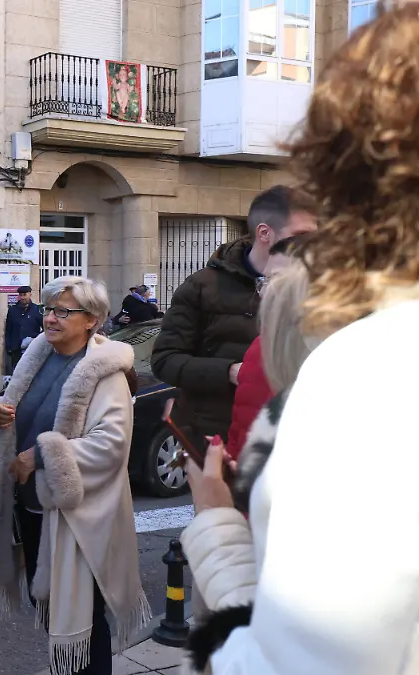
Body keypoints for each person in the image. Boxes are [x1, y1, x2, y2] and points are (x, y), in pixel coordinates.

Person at [181, 8, 419, 672]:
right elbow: (169, 356)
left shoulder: (373, 372)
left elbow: (298, 662)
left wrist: (220, 537)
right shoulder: (202, 287)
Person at [0, 277, 149, 675]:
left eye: (62, 311)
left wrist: (38, 455)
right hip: (32, 509)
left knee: (83, 622)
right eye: (47, 309)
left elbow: (110, 445)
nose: (50, 318)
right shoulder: (37, 355)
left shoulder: (106, 373)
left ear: (92, 320)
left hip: (76, 520)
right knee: (51, 613)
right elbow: (13, 407)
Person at [151, 185, 316, 439]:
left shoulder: (318, 288)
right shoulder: (201, 286)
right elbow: (165, 360)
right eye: (301, 234)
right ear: (265, 233)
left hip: (288, 434)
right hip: (216, 436)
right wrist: (230, 372)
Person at [224, 235, 309, 460]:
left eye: (275, 280)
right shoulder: (260, 346)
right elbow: (240, 429)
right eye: (264, 280)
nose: (263, 292)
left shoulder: (336, 358)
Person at [4, 286, 42, 373]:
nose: (23, 297)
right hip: (15, 349)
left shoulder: (36, 310)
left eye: (25, 295)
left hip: (31, 348)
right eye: (21, 295)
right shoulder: (13, 310)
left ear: (30, 295)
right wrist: (8, 346)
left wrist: (34, 339)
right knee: (17, 372)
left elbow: (45, 329)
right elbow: (8, 330)